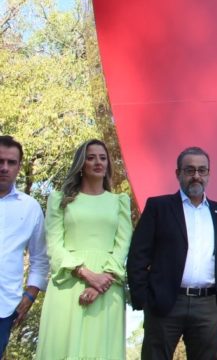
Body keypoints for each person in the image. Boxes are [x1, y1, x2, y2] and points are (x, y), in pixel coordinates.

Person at [126, 146, 217, 360]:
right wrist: (145, 299)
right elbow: (138, 255)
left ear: (208, 174)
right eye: (189, 170)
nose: (196, 176)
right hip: (165, 303)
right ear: (178, 173)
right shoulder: (158, 207)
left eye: (202, 170)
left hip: (209, 306)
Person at [36, 138, 132, 360]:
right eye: (90, 158)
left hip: (108, 287)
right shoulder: (59, 199)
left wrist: (102, 282)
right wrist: (86, 274)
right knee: (62, 346)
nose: (98, 162)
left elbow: (123, 245)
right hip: (68, 282)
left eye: (102, 157)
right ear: (81, 164)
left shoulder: (119, 201)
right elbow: (54, 244)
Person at [0, 135, 48, 357]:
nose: (4, 167)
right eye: (0, 161)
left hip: (4, 307)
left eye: (11, 162)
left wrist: (30, 295)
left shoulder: (30, 208)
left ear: (19, 166)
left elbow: (40, 259)